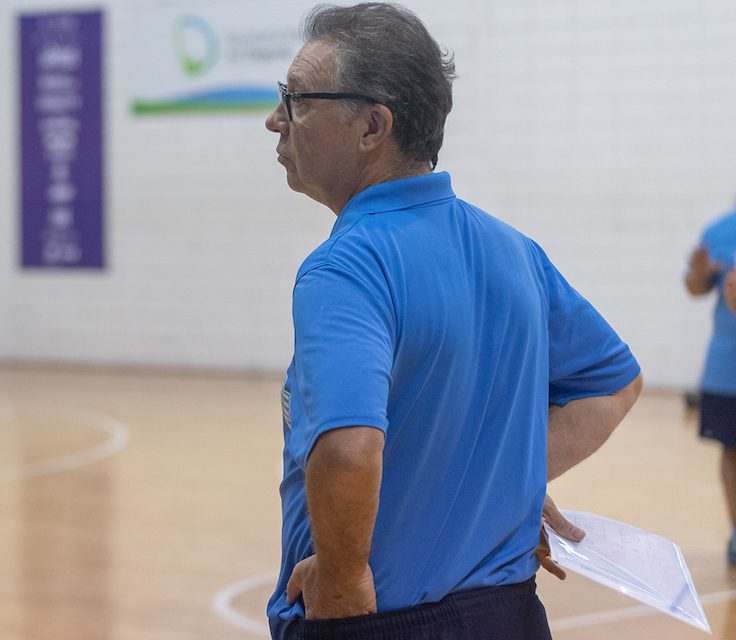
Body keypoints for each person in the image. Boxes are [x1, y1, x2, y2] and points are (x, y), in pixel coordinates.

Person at [264, 4, 642, 639]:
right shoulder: (514, 251)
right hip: (511, 615)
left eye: (296, 99)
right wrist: (504, 485)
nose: (276, 120)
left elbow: (350, 449)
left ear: (372, 127)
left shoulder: (346, 267)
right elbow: (614, 384)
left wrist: (343, 578)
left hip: (384, 618)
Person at [686, 205, 736, 564]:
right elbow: (695, 286)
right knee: (731, 449)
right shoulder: (719, 230)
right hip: (726, 364)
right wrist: (700, 275)